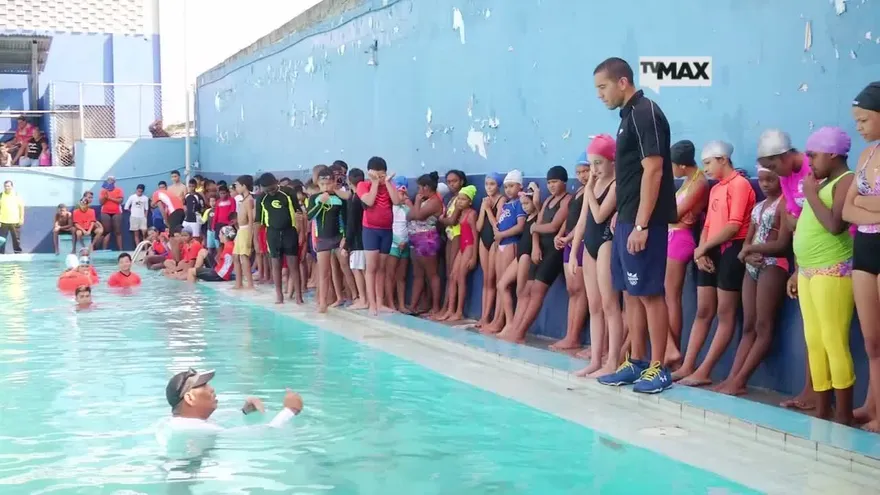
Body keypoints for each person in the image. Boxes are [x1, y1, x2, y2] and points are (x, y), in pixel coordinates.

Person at [592, 57, 677, 394]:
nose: (600, 94)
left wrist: (641, 225)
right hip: (627, 219)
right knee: (630, 292)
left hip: (646, 223)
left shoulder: (645, 113)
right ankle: (637, 361)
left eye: (603, 87)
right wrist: (624, 216)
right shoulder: (627, 118)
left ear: (623, 82)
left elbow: (653, 170)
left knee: (650, 293)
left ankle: (659, 367)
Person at [783, 126, 855, 425]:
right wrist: (798, 269)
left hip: (832, 270)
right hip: (809, 270)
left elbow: (836, 225)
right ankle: (822, 409)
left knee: (833, 340)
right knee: (814, 341)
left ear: (833, 154)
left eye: (813, 155)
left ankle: (844, 414)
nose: (809, 161)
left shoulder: (845, 180)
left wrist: (811, 194)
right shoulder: (821, 182)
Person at [674, 141, 755, 386]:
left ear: (723, 159)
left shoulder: (740, 185)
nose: (706, 168)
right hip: (710, 250)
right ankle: (688, 365)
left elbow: (733, 226)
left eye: (708, 163)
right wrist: (701, 251)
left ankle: (705, 370)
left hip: (731, 249)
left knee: (725, 313)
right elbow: (708, 224)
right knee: (703, 310)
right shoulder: (717, 188)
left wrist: (703, 248)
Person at [756, 128, 819, 410]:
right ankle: (811, 390)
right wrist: (796, 269)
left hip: (829, 259)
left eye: (773, 166)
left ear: (784, 155)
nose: (772, 174)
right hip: (805, 260)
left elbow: (818, 219)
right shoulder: (786, 178)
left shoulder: (814, 169)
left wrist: (802, 221)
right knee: (811, 332)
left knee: (827, 334)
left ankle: (821, 394)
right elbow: (793, 225)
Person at [715, 167, 790, 396]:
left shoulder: (785, 204)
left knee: (763, 326)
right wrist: (747, 254)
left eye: (771, 180)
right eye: (763, 180)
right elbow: (747, 242)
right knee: (748, 325)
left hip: (773, 265)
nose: (765, 184)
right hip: (752, 266)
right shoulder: (758, 207)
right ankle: (733, 377)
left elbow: (782, 244)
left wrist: (752, 250)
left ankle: (741, 379)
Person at [498, 166, 571, 343]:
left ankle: (519, 333)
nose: (551, 186)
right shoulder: (548, 201)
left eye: (555, 182)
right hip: (540, 249)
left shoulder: (567, 200)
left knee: (537, 291)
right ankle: (515, 329)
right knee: (526, 290)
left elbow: (553, 226)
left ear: (564, 182)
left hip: (554, 250)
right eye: (549, 182)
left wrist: (535, 228)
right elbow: (537, 225)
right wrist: (535, 246)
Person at [843, 81, 880, 430]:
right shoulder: (866, 155)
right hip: (866, 247)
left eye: (864, 120)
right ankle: (873, 405)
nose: (859, 127)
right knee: (871, 340)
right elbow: (847, 210)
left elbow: (857, 203)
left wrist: (863, 203)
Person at [571, 134, 623, 377]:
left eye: (599, 163)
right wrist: (574, 252)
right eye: (592, 164)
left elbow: (601, 215)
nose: (594, 169)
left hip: (606, 243)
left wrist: (590, 189)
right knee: (594, 305)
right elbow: (583, 220)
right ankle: (595, 360)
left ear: (612, 161)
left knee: (609, 304)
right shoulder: (592, 187)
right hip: (588, 246)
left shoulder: (615, 185)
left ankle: (611, 361)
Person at [158, 369, 303, 456]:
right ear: (190, 398)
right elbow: (268, 433)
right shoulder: (195, 428)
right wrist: (290, 410)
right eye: (203, 386)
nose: (211, 389)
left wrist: (245, 412)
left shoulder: (183, 422)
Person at [666, 140, 708, 365]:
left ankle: (673, 352)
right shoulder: (687, 182)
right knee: (665, 296)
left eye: (672, 165)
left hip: (680, 239)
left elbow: (675, 213)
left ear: (681, 165)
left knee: (671, 297)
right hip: (671, 236)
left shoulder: (699, 183)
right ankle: (669, 349)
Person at [550, 155, 591, 351]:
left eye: (586, 171)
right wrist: (561, 234)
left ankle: (574, 337)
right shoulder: (579, 191)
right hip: (570, 241)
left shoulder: (594, 190)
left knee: (580, 291)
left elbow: (585, 219)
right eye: (579, 172)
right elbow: (570, 217)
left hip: (580, 241)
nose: (582, 175)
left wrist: (569, 238)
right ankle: (569, 334)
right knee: (572, 290)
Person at [481, 171, 528, 334]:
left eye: (511, 186)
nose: (508, 190)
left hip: (510, 244)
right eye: (506, 187)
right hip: (501, 244)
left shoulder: (519, 204)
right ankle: (496, 319)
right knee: (498, 282)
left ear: (520, 186)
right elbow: (497, 225)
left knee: (504, 284)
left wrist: (502, 235)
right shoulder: (507, 204)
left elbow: (520, 227)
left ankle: (502, 321)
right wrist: (488, 211)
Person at [489, 189, 540, 334]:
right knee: (501, 285)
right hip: (520, 255)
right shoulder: (529, 216)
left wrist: (535, 190)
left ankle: (515, 328)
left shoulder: (538, 215)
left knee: (520, 292)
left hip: (526, 256)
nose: (524, 207)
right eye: (522, 204)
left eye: (527, 204)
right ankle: (510, 323)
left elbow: (535, 233)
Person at [358, 157, 402, 316]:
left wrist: (388, 182)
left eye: (381, 175)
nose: (379, 177)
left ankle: (380, 302)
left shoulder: (389, 185)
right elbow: (369, 202)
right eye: (375, 174)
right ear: (369, 173)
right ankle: (372, 304)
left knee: (382, 268)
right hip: (370, 230)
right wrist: (375, 183)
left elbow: (397, 201)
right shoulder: (363, 185)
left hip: (386, 230)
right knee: (371, 267)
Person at [258, 173, 303, 304]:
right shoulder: (261, 198)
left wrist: (300, 232)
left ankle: (298, 296)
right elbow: (258, 221)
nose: (271, 193)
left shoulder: (288, 193)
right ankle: (279, 295)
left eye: (272, 189)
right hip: (272, 233)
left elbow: (298, 213)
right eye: (267, 190)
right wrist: (256, 240)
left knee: (293, 265)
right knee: (276, 265)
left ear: (277, 182)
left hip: (290, 231)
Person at [436, 185, 478, 321]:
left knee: (460, 278)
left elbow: (475, 236)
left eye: (463, 199)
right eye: (458, 199)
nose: (460, 202)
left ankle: (459, 311)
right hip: (462, 247)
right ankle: (450, 310)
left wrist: (474, 256)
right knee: (453, 276)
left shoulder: (472, 214)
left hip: (469, 247)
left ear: (470, 201)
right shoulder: (461, 214)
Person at [406, 172, 444, 316]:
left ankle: (435, 307)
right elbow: (409, 215)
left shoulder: (434, 201)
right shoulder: (425, 201)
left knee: (432, 274)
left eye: (419, 187)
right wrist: (416, 207)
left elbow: (418, 215)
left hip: (427, 240)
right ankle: (414, 305)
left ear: (426, 187)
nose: (418, 191)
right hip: (416, 240)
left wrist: (416, 202)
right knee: (418, 274)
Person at [475, 173, 506, 328]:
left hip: (494, 241)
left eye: (492, 184)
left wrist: (487, 209)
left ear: (498, 185)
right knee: (486, 279)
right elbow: (478, 227)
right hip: (483, 240)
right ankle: (483, 316)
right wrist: (483, 208)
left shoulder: (502, 200)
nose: (488, 187)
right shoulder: (484, 201)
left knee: (492, 279)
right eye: (486, 184)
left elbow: (497, 225)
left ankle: (489, 316)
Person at [386, 176, 411, 313]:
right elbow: (388, 227)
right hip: (393, 245)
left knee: (401, 276)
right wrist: (397, 241)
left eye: (404, 193)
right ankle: (390, 303)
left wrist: (405, 242)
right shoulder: (391, 208)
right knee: (390, 275)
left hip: (405, 244)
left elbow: (411, 223)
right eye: (400, 193)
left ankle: (401, 304)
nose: (402, 196)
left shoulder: (407, 208)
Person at [233, 175, 256, 290]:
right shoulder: (244, 200)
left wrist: (250, 237)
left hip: (246, 230)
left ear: (244, 186)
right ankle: (239, 283)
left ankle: (250, 284)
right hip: (241, 230)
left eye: (237, 185)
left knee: (244, 257)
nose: (236, 188)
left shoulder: (249, 200)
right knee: (235, 257)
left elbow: (251, 219)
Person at [98, 176, 124, 250]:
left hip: (117, 212)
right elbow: (101, 202)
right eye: (108, 180)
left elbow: (120, 201)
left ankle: (121, 249)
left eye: (111, 180)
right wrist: (105, 196)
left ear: (114, 181)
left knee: (118, 231)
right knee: (106, 231)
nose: (110, 181)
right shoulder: (103, 191)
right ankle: (104, 249)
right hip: (105, 212)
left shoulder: (118, 190)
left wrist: (109, 198)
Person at [0, 180, 25, 253]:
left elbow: (21, 207)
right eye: (5, 186)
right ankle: (1, 254)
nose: (6, 188)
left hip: (15, 222)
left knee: (16, 239)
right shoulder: (1, 195)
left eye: (8, 186)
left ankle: (17, 253)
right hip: (3, 222)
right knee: (1, 240)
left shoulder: (17, 195)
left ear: (12, 187)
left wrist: (21, 218)